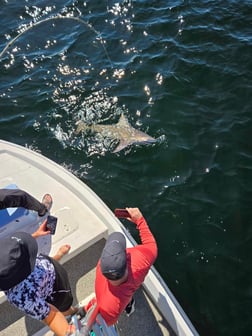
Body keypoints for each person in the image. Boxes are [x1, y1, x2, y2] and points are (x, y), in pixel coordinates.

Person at [0, 192, 77, 336]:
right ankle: (74, 311)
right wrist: (69, 333)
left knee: (47, 261)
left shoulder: (5, 264)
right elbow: (52, 316)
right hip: (55, 286)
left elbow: (15, 250)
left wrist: (35, 235)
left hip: (46, 266)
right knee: (64, 305)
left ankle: (57, 256)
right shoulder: (23, 298)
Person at [91, 207, 158, 326]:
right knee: (128, 296)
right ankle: (129, 306)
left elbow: (110, 322)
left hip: (116, 299)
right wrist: (139, 220)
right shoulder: (140, 262)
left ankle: (128, 305)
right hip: (131, 286)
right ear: (126, 259)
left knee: (126, 298)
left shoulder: (100, 266)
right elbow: (151, 245)